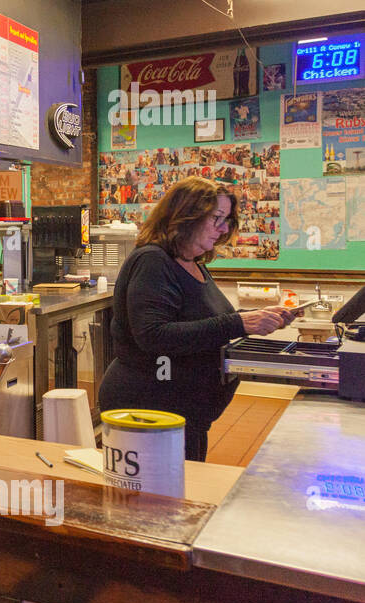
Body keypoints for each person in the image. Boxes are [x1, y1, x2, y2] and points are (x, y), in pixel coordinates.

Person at [97, 177, 298, 462]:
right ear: (184, 216)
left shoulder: (193, 264)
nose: (224, 228)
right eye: (216, 218)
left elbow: (206, 321)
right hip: (149, 406)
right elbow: (154, 335)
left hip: (185, 412)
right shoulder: (153, 261)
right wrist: (240, 323)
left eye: (227, 220)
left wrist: (257, 318)